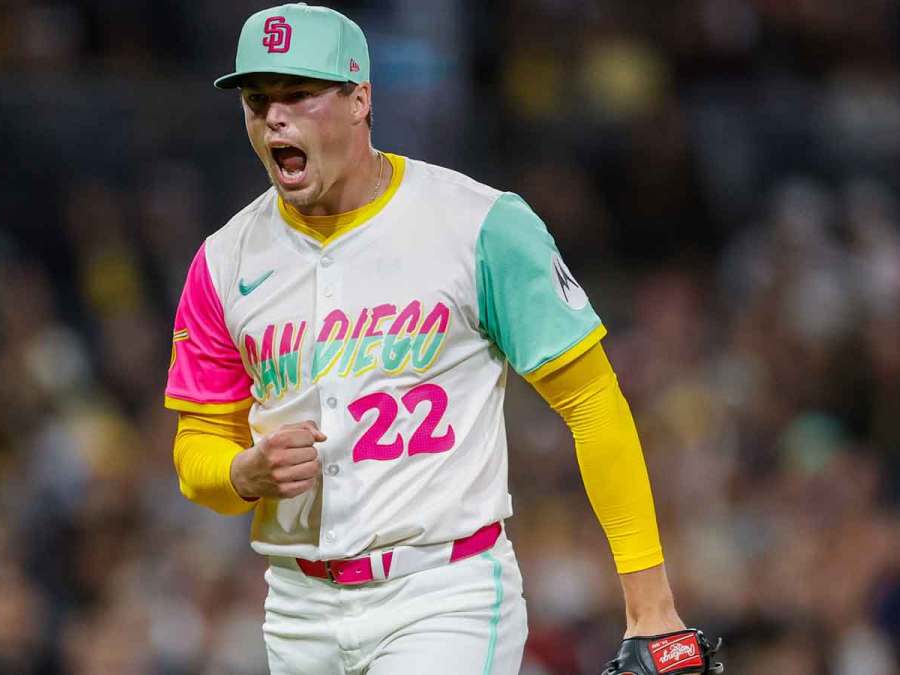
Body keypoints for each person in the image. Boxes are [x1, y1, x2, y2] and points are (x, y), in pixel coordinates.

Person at [164, 4, 720, 674]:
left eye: (299, 95)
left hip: (443, 594)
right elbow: (198, 442)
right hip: (297, 607)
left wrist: (651, 605)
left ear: (360, 99)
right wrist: (239, 473)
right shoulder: (223, 262)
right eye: (258, 100)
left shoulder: (477, 225)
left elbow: (592, 400)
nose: (274, 117)